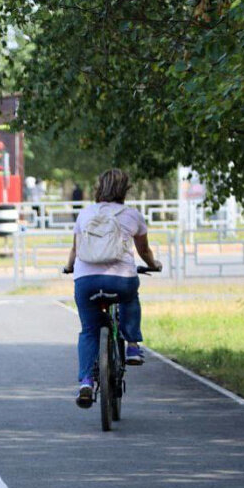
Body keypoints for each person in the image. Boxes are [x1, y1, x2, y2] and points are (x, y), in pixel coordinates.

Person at [62, 168, 162, 408]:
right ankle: (133, 346)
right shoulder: (132, 215)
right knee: (130, 297)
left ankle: (86, 381)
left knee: (89, 330)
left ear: (99, 188)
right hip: (120, 280)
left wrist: (68, 267)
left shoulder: (85, 214)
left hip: (86, 282)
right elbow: (144, 251)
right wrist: (153, 264)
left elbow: (75, 250)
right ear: (125, 190)